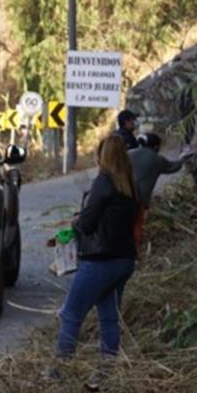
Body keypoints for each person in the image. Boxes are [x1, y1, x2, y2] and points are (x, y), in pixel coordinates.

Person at [53, 134, 139, 371]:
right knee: (109, 317)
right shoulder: (130, 182)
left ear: (103, 157)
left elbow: (88, 223)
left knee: (70, 314)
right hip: (124, 260)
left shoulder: (103, 181)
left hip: (100, 260)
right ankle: (106, 370)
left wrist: (75, 222)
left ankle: (59, 371)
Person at [129, 132, 193, 208]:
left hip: (121, 195)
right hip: (140, 200)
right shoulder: (156, 159)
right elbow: (174, 167)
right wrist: (183, 158)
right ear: (156, 147)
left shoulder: (128, 153)